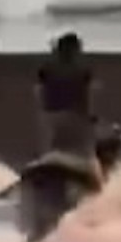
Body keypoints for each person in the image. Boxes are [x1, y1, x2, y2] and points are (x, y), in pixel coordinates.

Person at [34, 32, 100, 171]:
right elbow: (89, 96)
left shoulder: (47, 69)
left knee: (49, 150)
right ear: (74, 50)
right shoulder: (83, 70)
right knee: (86, 151)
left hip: (51, 117)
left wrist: (43, 113)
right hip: (76, 117)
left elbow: (39, 93)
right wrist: (91, 116)